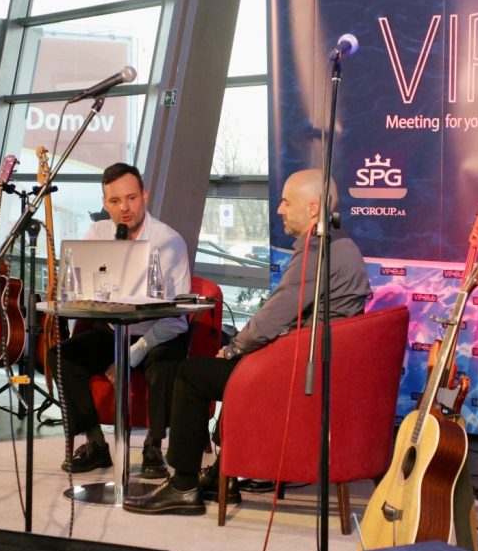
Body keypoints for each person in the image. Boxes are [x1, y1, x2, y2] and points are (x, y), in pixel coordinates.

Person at [123, 168, 371, 515]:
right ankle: (221, 474)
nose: (280, 210)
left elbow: (272, 318)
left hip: (299, 378)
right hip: (319, 370)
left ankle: (183, 485)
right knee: (236, 363)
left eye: (286, 202)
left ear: (313, 208)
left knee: (190, 374)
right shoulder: (346, 247)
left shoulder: (316, 253)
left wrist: (234, 348)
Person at [53, 162, 191, 476]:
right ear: (105, 204)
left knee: (165, 364)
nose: (124, 208)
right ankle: (96, 443)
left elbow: (177, 320)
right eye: (115, 201)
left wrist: (130, 356)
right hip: (112, 329)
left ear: (144, 196)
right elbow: (79, 289)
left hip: (158, 331)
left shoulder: (169, 242)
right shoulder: (98, 233)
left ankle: (154, 447)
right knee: (61, 356)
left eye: (131, 198)